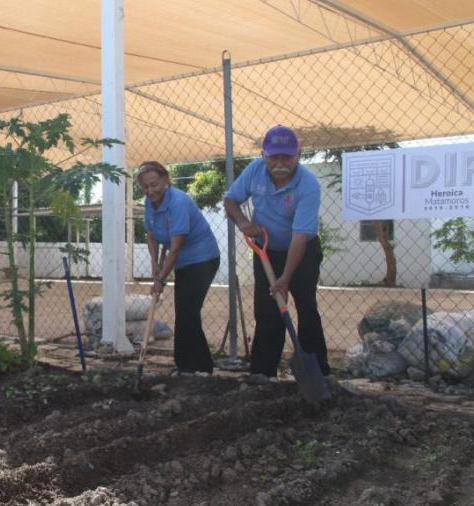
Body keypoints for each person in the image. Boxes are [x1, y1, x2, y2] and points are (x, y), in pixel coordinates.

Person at [223, 125, 331, 383]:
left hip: (301, 252)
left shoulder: (308, 185)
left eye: (287, 156)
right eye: (274, 157)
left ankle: (318, 373)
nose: (280, 163)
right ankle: (263, 372)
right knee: (267, 311)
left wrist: (284, 278)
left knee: (306, 309)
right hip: (266, 250)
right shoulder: (254, 171)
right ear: (263, 155)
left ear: (299, 155)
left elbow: (299, 237)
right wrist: (243, 223)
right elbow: (230, 200)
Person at [137, 161, 220, 375]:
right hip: (183, 261)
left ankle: (202, 367)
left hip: (202, 259)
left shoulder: (179, 203)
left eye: (154, 184)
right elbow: (152, 234)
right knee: (182, 312)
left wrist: (160, 279)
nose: (150, 190)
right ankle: (184, 366)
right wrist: (155, 265)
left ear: (165, 180)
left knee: (188, 312)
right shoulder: (149, 202)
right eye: (145, 187)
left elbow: (174, 248)